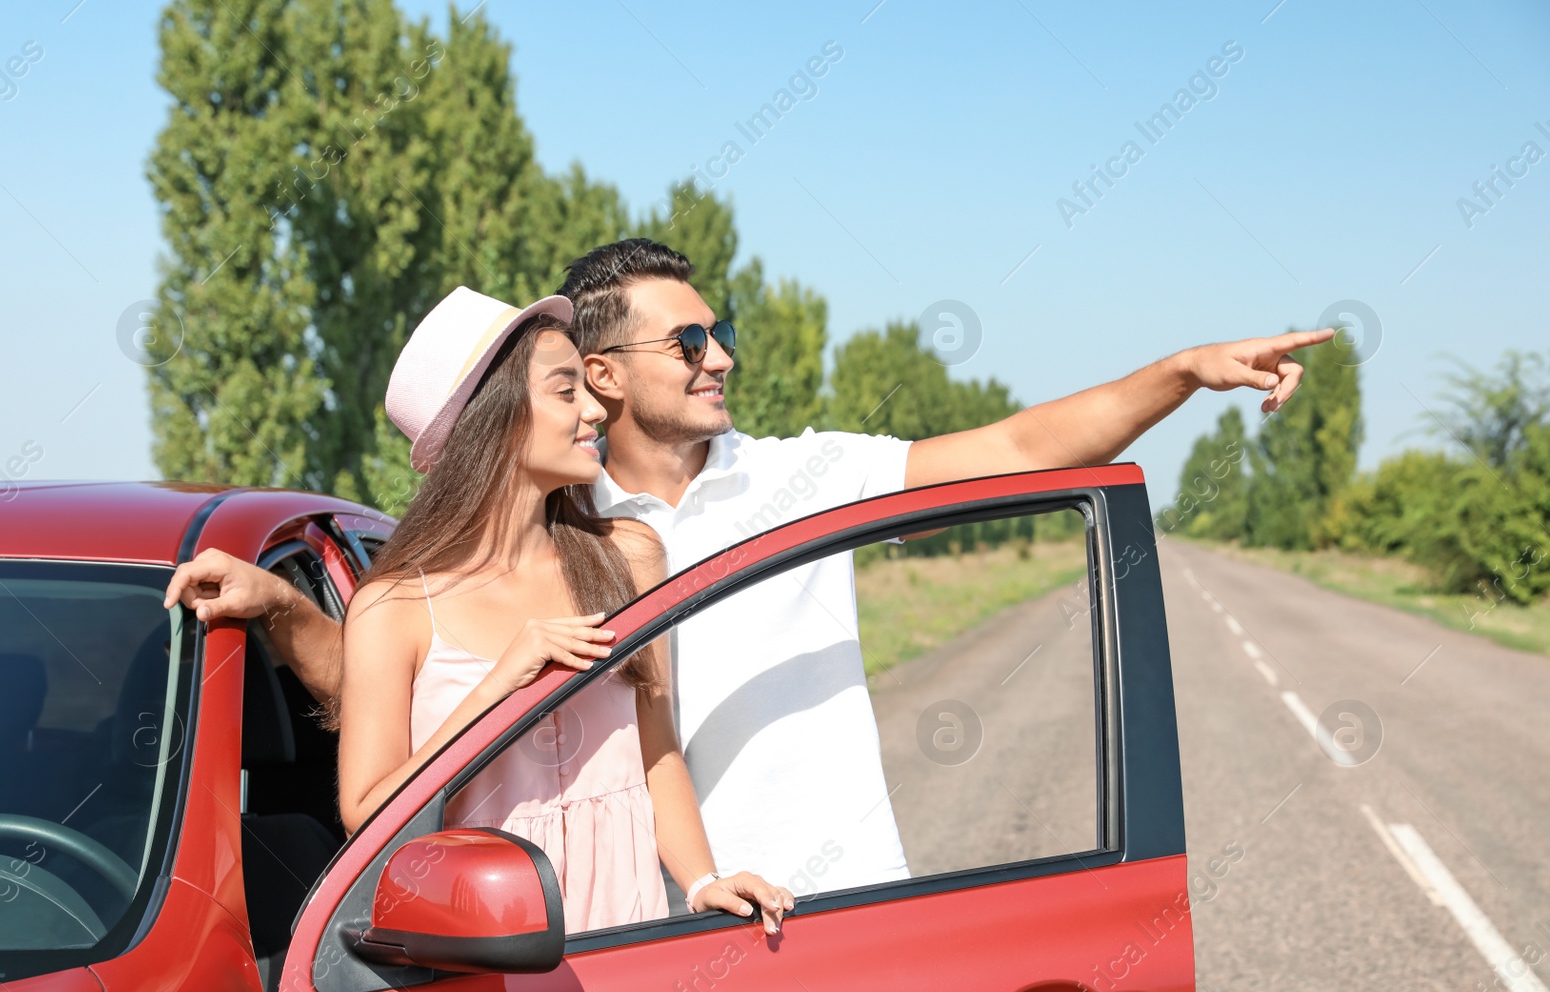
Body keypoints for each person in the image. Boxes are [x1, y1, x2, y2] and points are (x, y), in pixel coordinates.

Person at [167, 238, 1332, 897]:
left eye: (720, 333)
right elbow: (409, 701)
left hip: (840, 897)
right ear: (604, 375)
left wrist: (1179, 373)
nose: (720, 355)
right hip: (646, 928)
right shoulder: (575, 532)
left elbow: (1023, 447)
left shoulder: (794, 478)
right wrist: (279, 607)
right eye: (688, 340)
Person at [332, 287, 791, 935]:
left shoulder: (630, 558)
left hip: (626, 939)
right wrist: (503, 683)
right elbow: (369, 813)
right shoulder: (394, 607)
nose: (595, 410)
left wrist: (703, 881)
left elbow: (656, 748)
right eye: (565, 390)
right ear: (496, 418)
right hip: (482, 951)